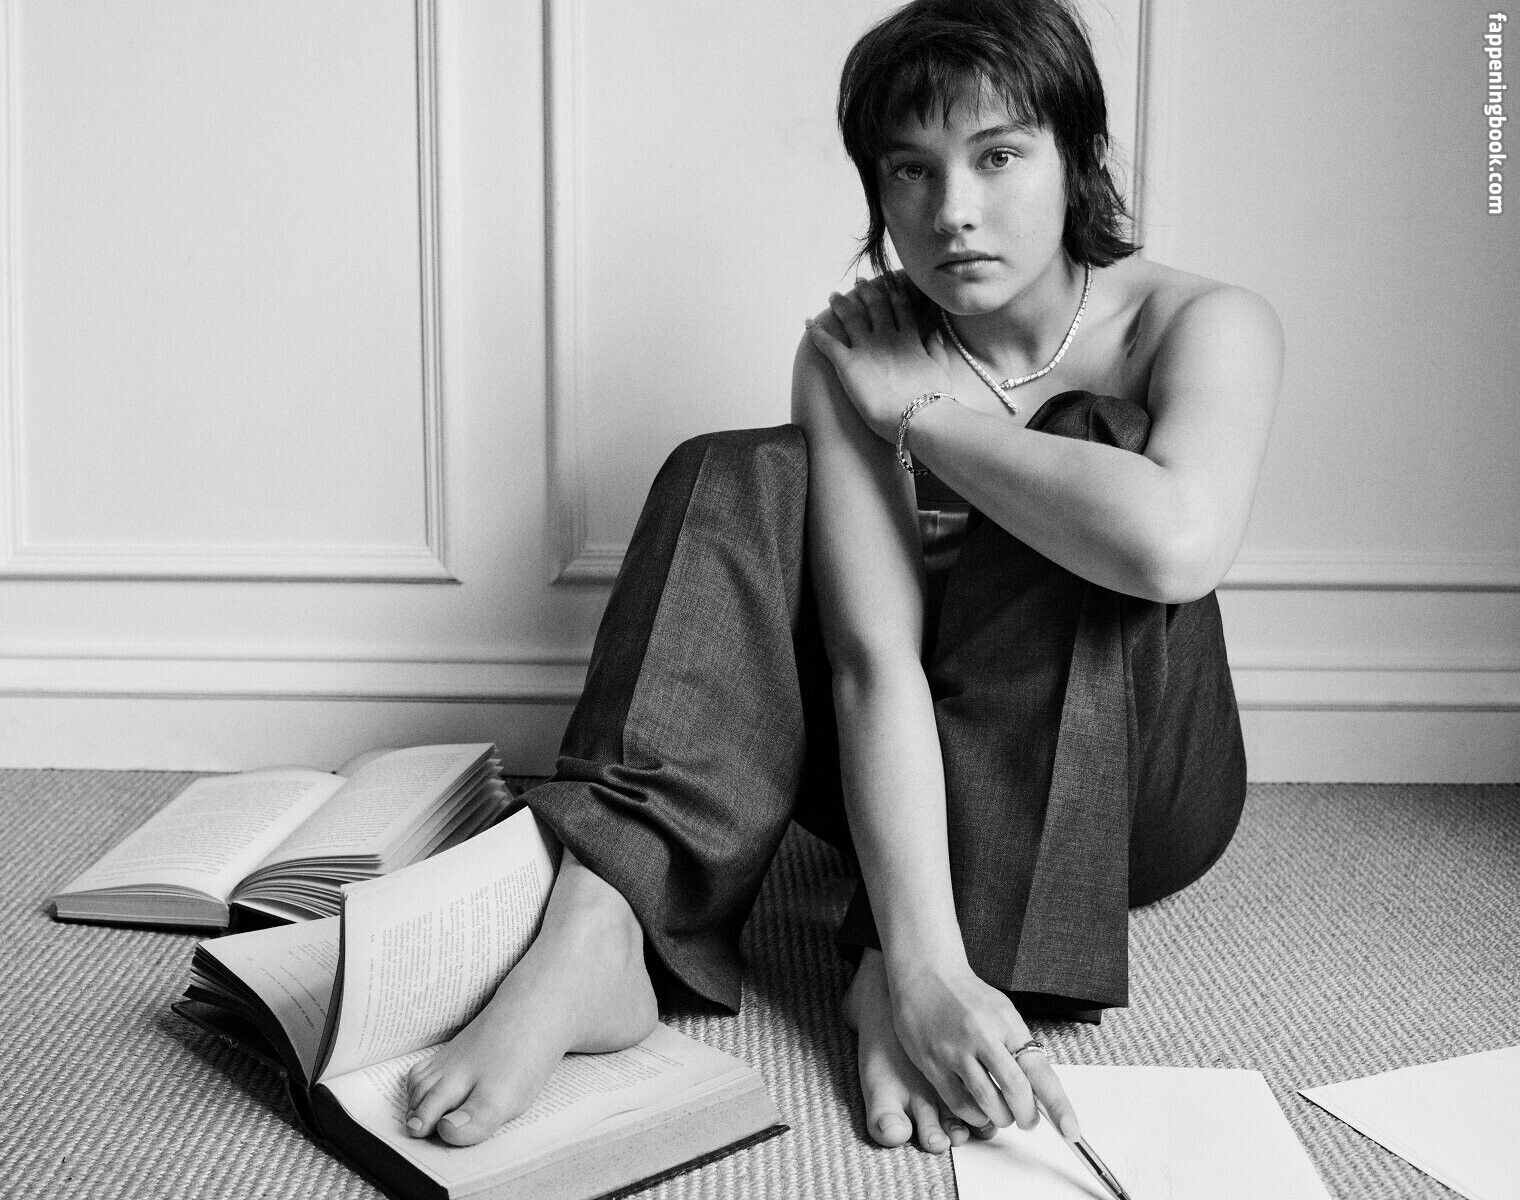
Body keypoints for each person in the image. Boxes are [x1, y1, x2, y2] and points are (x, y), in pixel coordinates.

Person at [404, 0, 1283, 1156]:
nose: (951, 210)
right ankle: (604, 921)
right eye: (911, 170)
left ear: (1078, 159)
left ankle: (905, 956)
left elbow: (1176, 544)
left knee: (1090, 450)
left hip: (1133, 786)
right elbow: (873, 664)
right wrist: (919, 959)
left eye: (998, 156)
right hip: (893, 759)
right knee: (738, 469)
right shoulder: (855, 350)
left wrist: (926, 418)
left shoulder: (1202, 321)